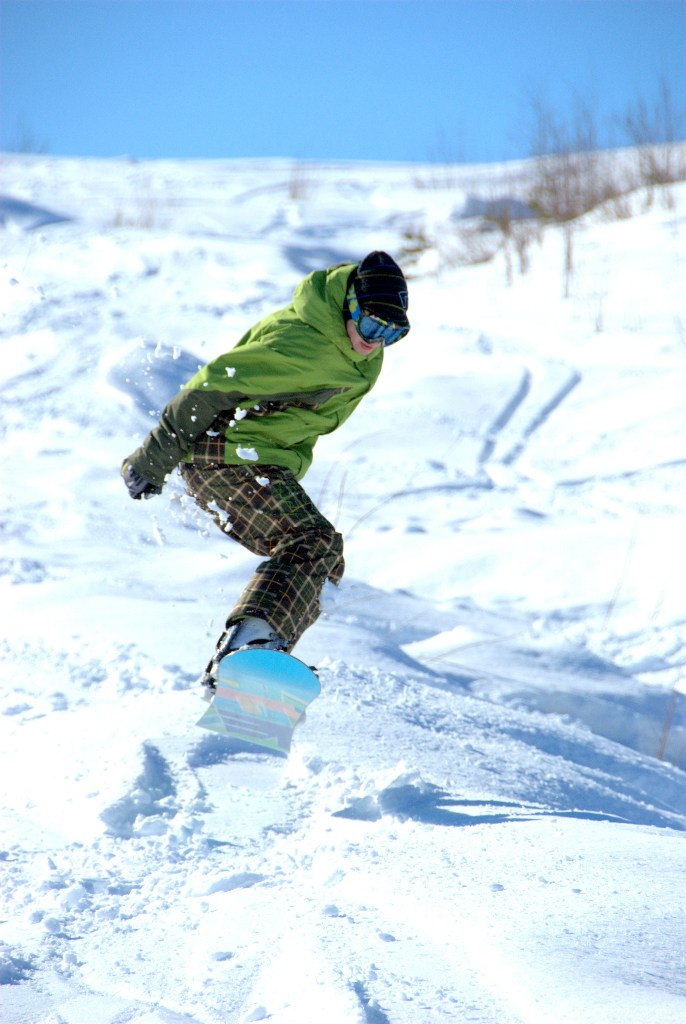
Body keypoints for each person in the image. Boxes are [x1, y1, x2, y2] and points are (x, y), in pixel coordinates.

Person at [122, 251, 410, 693]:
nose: (377, 340)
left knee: (325, 560)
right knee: (311, 541)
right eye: (372, 325)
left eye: (394, 332)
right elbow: (208, 387)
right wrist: (152, 460)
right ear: (349, 304)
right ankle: (248, 648)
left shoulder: (360, 356)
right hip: (222, 455)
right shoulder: (304, 340)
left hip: (257, 459)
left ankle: (257, 663)